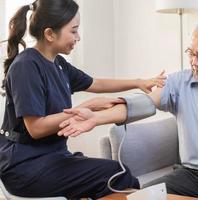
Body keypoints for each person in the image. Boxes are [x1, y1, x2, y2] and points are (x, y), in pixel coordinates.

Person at [58, 21, 198, 200]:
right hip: (190, 176)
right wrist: (96, 118)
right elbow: (144, 104)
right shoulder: (178, 82)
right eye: (191, 53)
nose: (194, 62)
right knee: (139, 197)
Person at [0, 0, 166, 199]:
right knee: (117, 176)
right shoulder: (26, 66)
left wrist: (139, 82)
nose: (78, 37)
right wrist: (86, 107)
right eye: (74, 31)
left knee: (117, 177)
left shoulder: (59, 64)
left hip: (53, 157)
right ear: (49, 34)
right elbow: (36, 128)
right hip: (25, 166)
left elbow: (96, 83)